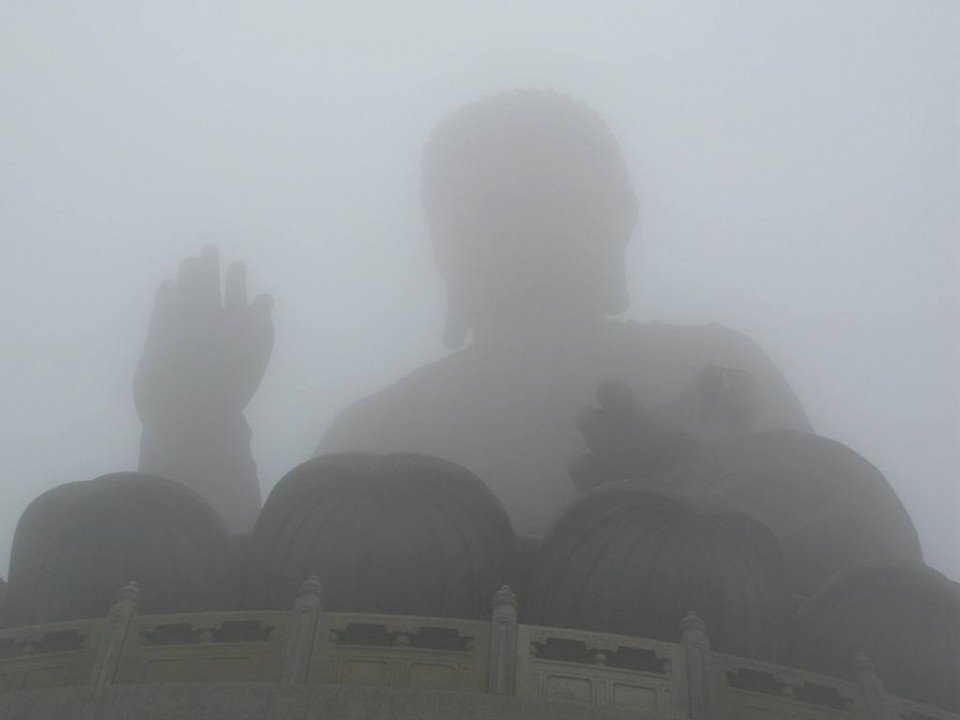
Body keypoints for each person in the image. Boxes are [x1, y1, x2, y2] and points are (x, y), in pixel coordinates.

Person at [135, 89, 810, 535]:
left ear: (619, 217)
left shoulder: (709, 373)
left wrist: (699, 488)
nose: (511, 222)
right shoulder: (379, 431)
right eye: (480, 203)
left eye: (539, 193)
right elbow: (257, 609)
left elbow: (849, 539)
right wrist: (196, 426)